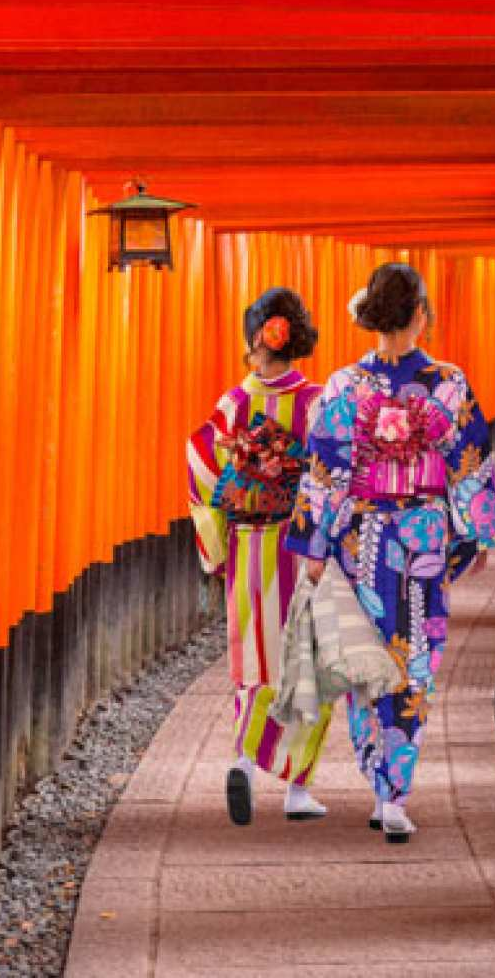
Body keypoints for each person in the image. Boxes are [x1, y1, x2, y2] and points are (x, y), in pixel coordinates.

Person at [285, 262, 495, 843]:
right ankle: (393, 791)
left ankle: (379, 779)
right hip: (423, 535)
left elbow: (323, 470)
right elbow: (470, 460)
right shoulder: (448, 383)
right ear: (419, 315)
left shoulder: (342, 387)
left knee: (370, 661)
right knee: (414, 663)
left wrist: (316, 543)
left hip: (362, 538)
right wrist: (477, 528)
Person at [186, 287, 336, 826]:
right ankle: (297, 788)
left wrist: (217, 541)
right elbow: (332, 475)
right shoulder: (318, 402)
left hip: (251, 546)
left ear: (255, 339)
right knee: (310, 660)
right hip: (304, 546)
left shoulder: (232, 405)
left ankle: (246, 761)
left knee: (256, 656)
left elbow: (201, 467)